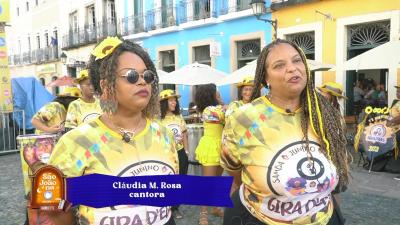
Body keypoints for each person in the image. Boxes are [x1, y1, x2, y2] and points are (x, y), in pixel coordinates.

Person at [47, 37, 179, 225]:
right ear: (105, 85)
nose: (142, 82)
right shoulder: (76, 143)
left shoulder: (164, 135)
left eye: (147, 76)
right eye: (132, 76)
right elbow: (56, 210)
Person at [221, 39, 349, 225]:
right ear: (266, 78)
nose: (292, 68)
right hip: (259, 218)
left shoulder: (327, 116)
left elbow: (337, 177)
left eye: (297, 61)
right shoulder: (244, 119)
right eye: (279, 65)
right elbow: (234, 171)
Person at [194, 83, 225, 225]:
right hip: (211, 146)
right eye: (216, 92)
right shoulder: (208, 110)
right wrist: (225, 107)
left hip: (221, 146)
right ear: (210, 94)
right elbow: (225, 117)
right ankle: (203, 216)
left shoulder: (219, 108)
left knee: (217, 181)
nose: (219, 94)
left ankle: (216, 207)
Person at [159, 89, 189, 219]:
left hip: (181, 153)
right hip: (166, 155)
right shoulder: (158, 120)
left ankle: (175, 207)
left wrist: (186, 152)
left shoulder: (179, 117)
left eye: (175, 100)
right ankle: (167, 205)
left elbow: (184, 135)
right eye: (171, 100)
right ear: (164, 103)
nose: (174, 102)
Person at [387, 85, 400, 181]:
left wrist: (391, 121)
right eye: (397, 92)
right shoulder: (397, 102)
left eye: (399, 92)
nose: (397, 94)